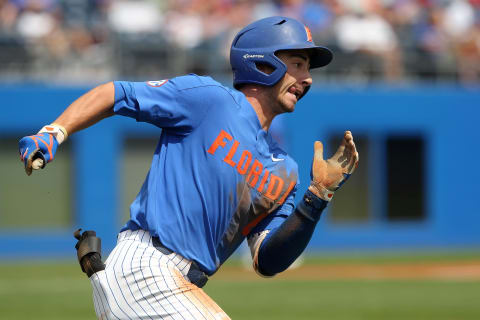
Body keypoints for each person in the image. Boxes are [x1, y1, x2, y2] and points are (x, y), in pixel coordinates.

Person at [18, 16, 359, 320]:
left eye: (308, 68)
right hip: (144, 267)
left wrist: (317, 197)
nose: (308, 78)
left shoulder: (285, 170)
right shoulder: (209, 99)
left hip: (176, 284)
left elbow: (268, 262)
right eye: (298, 63)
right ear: (263, 63)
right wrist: (55, 131)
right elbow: (116, 94)